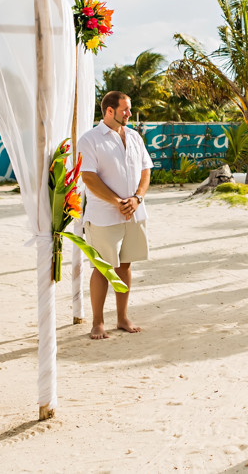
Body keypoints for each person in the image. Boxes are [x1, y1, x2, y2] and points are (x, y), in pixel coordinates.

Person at [78, 91, 153, 340]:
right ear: (109, 111)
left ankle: (122, 318)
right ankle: (97, 322)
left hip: (135, 212)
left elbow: (145, 171)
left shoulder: (134, 137)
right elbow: (88, 176)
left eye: (129, 109)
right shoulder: (90, 139)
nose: (129, 114)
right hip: (102, 216)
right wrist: (117, 201)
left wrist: (136, 198)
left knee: (126, 264)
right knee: (102, 267)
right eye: (125, 109)